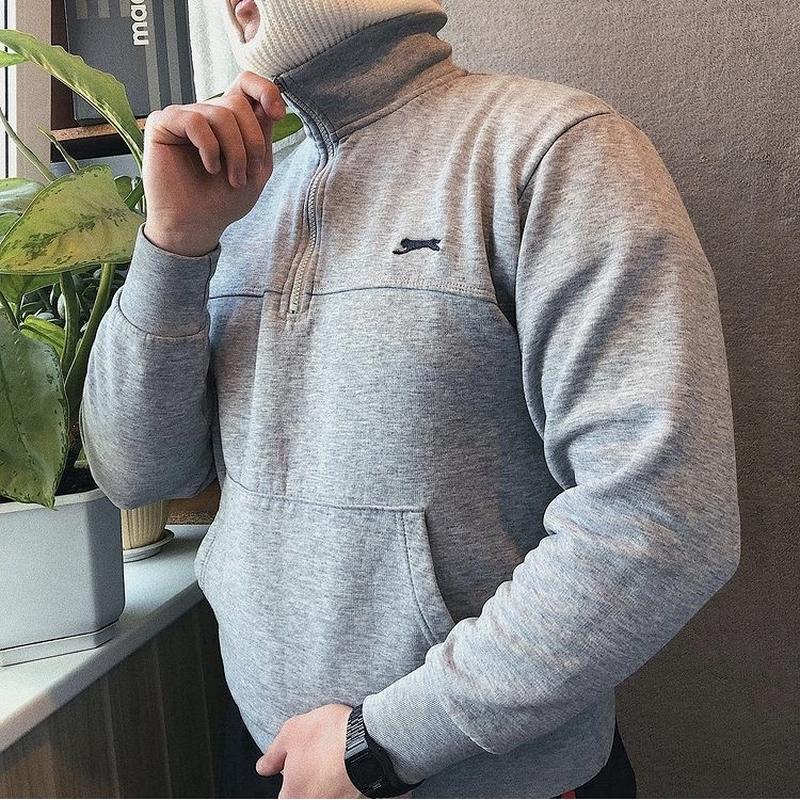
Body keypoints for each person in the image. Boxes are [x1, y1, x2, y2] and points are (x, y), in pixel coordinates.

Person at [79, 0, 741, 797]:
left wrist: (377, 745)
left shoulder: (551, 151)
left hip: (481, 778)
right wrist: (174, 246)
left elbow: (664, 521)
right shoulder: (238, 201)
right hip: (267, 755)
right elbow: (137, 474)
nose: (237, 6)